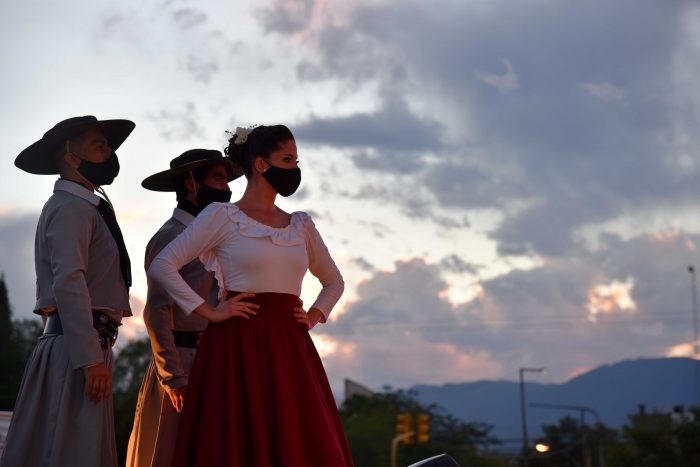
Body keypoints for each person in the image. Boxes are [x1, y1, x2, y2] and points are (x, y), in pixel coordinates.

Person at [147, 125, 354, 466]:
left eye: (296, 160)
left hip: (290, 346)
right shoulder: (223, 217)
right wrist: (209, 312)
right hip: (236, 343)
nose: (294, 168)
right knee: (234, 441)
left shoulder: (300, 225)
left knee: (297, 439)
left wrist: (315, 314)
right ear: (260, 164)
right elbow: (163, 265)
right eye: (286, 159)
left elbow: (334, 281)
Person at [1, 116, 134, 467]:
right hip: (75, 351)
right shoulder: (70, 208)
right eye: (99, 145)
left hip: (84, 346)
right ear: (72, 158)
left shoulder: (84, 206)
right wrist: (90, 359)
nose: (108, 152)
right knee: (68, 453)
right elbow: (69, 282)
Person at [126, 149, 244, 467]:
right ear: (191, 183)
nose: (227, 188)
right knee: (170, 453)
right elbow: (156, 311)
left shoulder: (218, 238)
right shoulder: (170, 238)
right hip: (182, 364)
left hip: (214, 361)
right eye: (218, 178)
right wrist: (173, 377)